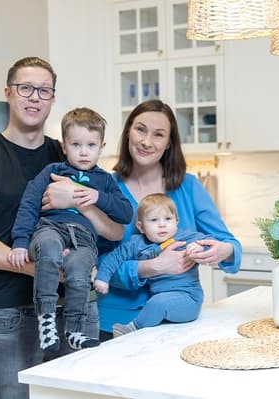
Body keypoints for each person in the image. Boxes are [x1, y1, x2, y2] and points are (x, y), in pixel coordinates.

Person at [0, 57, 123, 399]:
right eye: (25, 88)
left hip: (78, 307)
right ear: (8, 94)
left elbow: (115, 231)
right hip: (13, 311)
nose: (34, 97)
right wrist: (40, 269)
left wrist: (76, 200)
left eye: (44, 90)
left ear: (53, 99)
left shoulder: (71, 153)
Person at [96, 99, 242, 341]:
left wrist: (223, 250)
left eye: (158, 135)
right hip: (115, 323)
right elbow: (95, 264)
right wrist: (151, 267)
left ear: (168, 144)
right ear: (128, 132)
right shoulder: (105, 190)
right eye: (140, 129)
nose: (146, 141)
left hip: (175, 324)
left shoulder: (189, 187)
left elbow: (230, 246)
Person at [8, 107, 132, 353]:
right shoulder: (53, 172)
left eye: (91, 145)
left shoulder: (105, 181)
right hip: (50, 229)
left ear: (102, 146)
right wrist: (20, 241)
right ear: (64, 146)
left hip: (84, 241)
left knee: (79, 273)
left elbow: (125, 213)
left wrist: (96, 197)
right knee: (50, 249)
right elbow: (30, 204)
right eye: (76, 145)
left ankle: (74, 329)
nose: (84, 152)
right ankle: (46, 318)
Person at [94, 193, 213, 336]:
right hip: (160, 299)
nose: (162, 224)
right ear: (141, 226)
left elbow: (211, 242)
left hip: (189, 298)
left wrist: (200, 247)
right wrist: (102, 278)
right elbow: (115, 257)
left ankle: (133, 328)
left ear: (176, 221)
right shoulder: (136, 244)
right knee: (156, 304)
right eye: (154, 220)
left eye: (168, 219)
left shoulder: (186, 238)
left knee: (158, 303)